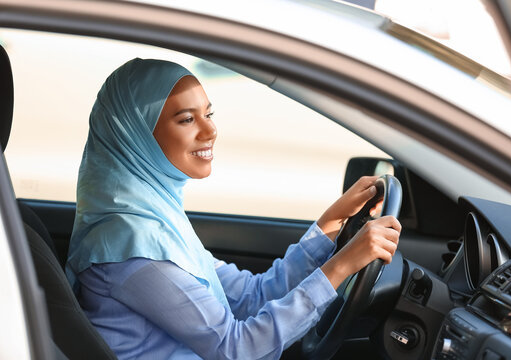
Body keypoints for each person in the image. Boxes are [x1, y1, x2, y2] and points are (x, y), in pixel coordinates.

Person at [66, 58, 401, 359]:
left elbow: (251, 296)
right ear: (136, 135)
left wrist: (333, 221)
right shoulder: (131, 247)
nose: (210, 130)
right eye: (186, 119)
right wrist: (342, 267)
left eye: (208, 114)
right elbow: (236, 349)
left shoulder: (155, 221)